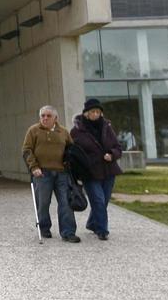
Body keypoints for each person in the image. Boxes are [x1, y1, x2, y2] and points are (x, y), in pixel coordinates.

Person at [22, 105, 79, 243]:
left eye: (48, 116)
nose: (45, 118)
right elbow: (27, 150)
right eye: (43, 116)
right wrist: (33, 167)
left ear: (55, 118)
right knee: (43, 203)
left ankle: (68, 232)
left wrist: (70, 163)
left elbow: (71, 150)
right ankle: (44, 228)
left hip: (62, 173)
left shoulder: (63, 132)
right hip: (42, 173)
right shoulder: (33, 131)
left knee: (66, 202)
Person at [71, 98, 124, 240]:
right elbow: (73, 153)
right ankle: (102, 230)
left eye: (98, 112)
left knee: (104, 201)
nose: (96, 114)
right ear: (86, 113)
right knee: (98, 201)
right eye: (93, 111)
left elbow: (118, 148)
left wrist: (112, 155)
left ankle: (92, 223)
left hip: (109, 171)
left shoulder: (107, 127)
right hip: (90, 173)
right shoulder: (77, 131)